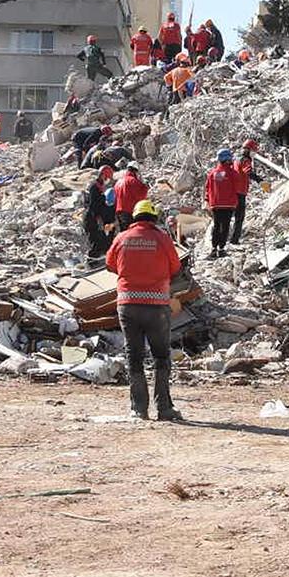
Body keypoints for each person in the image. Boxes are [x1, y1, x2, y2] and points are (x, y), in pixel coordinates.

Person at [106, 199, 184, 421]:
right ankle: (164, 408)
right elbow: (176, 268)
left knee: (134, 356)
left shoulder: (121, 238)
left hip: (128, 305)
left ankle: (139, 409)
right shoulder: (162, 238)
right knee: (161, 356)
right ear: (153, 218)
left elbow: (110, 265)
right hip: (157, 306)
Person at [205, 149, 243, 258]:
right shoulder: (232, 173)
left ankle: (213, 249)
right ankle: (221, 249)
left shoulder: (212, 173)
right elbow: (238, 188)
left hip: (215, 205)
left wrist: (207, 200)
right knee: (225, 227)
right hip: (229, 205)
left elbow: (207, 188)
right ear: (227, 160)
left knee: (216, 226)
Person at [231, 139, 262, 245]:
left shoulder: (236, 159)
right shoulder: (246, 160)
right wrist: (260, 181)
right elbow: (248, 171)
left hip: (234, 191)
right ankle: (234, 240)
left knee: (232, 216)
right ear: (248, 150)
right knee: (239, 217)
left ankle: (229, 238)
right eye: (253, 150)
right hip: (240, 192)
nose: (254, 153)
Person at [84, 165, 117, 259]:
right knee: (96, 241)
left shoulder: (100, 187)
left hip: (98, 218)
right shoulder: (94, 188)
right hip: (92, 218)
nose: (108, 180)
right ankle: (92, 261)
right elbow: (93, 205)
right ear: (103, 176)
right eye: (107, 177)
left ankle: (105, 256)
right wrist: (98, 218)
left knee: (105, 237)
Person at [113, 161, 149, 230]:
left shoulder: (118, 182)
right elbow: (141, 196)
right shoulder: (133, 181)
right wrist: (145, 187)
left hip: (119, 213)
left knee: (123, 233)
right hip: (129, 212)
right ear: (135, 171)